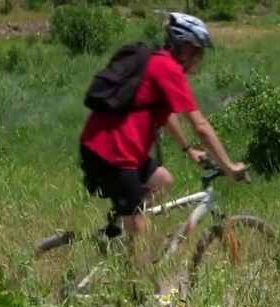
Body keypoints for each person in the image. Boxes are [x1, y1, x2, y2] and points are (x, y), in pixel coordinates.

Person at [78, 12, 247, 267]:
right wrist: (230, 166)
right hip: (111, 153)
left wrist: (187, 148)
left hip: (120, 151)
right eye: (199, 52)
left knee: (162, 180)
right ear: (186, 48)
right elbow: (200, 125)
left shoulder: (158, 65)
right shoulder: (167, 68)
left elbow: (166, 114)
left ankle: (119, 229)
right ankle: (137, 291)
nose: (200, 59)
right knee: (140, 226)